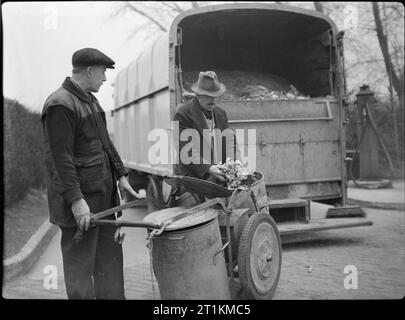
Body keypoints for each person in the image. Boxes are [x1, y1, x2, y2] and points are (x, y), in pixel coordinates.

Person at [41, 48, 142, 299]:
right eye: (103, 73)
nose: (105, 79)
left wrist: (121, 175)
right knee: (81, 277)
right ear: (88, 70)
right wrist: (76, 201)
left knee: (110, 269)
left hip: (104, 202)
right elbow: (59, 160)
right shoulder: (60, 104)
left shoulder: (90, 100)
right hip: (82, 208)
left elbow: (106, 143)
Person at [172, 71, 240, 205]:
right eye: (209, 96)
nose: (213, 100)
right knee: (193, 219)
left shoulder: (220, 113)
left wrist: (234, 164)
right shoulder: (182, 114)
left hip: (215, 179)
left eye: (216, 96)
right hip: (191, 179)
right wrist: (208, 168)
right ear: (198, 95)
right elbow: (185, 150)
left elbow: (229, 141)